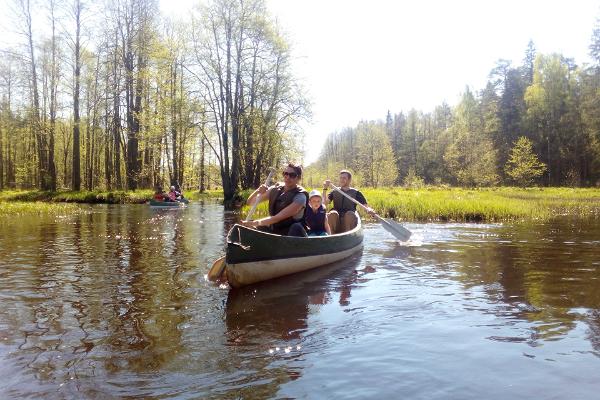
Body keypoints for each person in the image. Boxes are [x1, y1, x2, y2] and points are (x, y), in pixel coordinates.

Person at [241, 163, 308, 237]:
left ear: (298, 178)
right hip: (276, 230)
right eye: (286, 174)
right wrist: (258, 191)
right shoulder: (275, 189)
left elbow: (277, 218)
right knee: (252, 227)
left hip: (292, 234)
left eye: (292, 175)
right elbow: (250, 202)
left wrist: (254, 223)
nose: (288, 177)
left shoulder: (300, 196)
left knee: (296, 227)